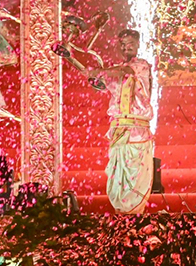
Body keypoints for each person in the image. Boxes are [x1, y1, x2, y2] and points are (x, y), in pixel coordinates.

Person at [59, 29, 154, 214]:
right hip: (119, 129)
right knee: (118, 174)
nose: (126, 48)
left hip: (136, 130)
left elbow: (125, 71)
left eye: (130, 44)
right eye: (123, 45)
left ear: (138, 45)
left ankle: (134, 214)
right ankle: (121, 214)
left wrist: (99, 71)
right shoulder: (115, 69)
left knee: (135, 175)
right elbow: (105, 83)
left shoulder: (141, 65)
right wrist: (91, 74)